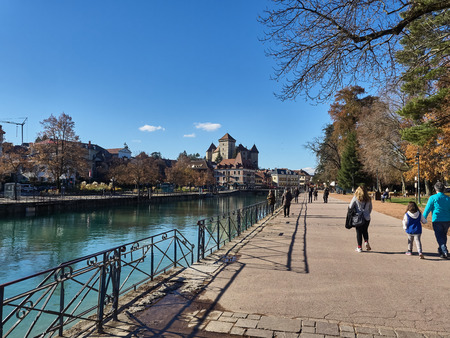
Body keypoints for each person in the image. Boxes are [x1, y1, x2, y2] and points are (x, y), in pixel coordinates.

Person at [423, 182, 450, 259]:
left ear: (435, 189)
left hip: (437, 219)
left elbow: (427, 209)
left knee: (439, 236)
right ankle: (441, 250)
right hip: (447, 220)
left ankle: (444, 250)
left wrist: (423, 218)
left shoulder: (433, 198)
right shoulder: (448, 199)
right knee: (443, 235)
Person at [349, 185, 373, 252]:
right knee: (365, 230)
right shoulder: (368, 198)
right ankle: (366, 241)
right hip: (367, 217)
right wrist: (367, 213)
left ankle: (359, 247)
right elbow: (370, 208)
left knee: (359, 232)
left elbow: (350, 206)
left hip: (358, 217)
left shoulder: (356, 198)